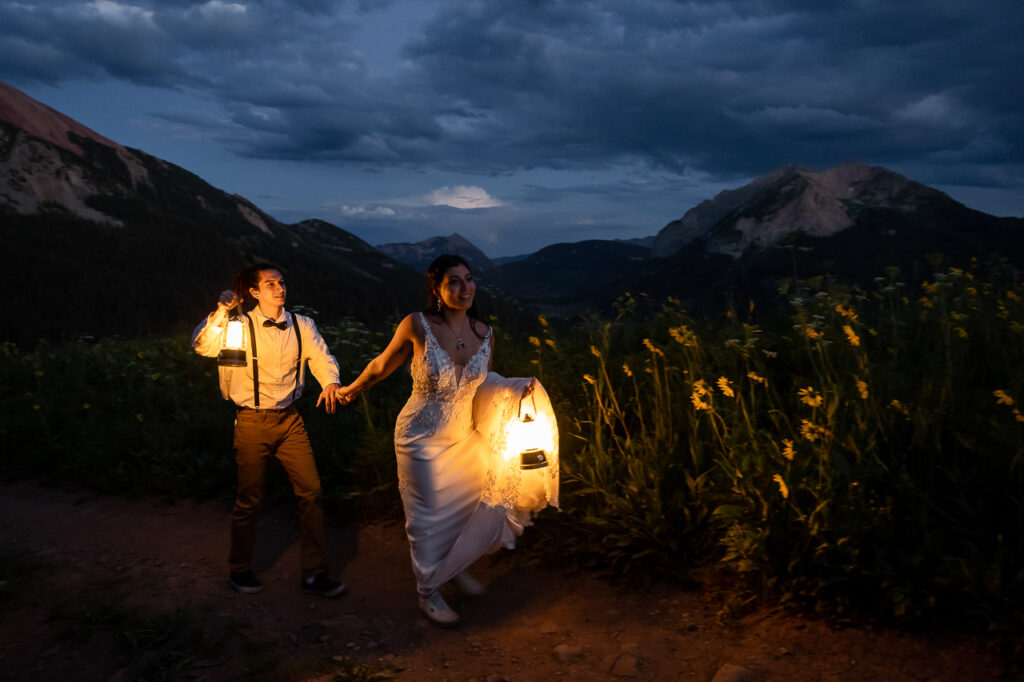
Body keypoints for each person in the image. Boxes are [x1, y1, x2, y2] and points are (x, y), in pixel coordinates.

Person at [337, 254, 558, 626]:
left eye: (468, 279)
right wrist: (352, 389)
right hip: (418, 436)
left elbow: (486, 386)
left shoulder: (484, 333)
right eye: (453, 281)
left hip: (462, 436)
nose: (464, 287)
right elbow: (381, 364)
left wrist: (518, 388)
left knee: (465, 508)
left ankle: (452, 568)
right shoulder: (417, 325)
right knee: (427, 517)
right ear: (437, 289)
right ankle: (428, 591)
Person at [192, 263, 346, 598]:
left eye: (281, 282)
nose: (279, 287)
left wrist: (331, 382)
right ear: (254, 292)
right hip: (251, 421)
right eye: (270, 283)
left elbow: (321, 356)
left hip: (291, 421)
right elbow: (202, 346)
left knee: (312, 492)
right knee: (250, 498)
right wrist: (220, 311)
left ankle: (315, 573)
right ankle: (240, 569)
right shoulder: (238, 326)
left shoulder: (302, 325)